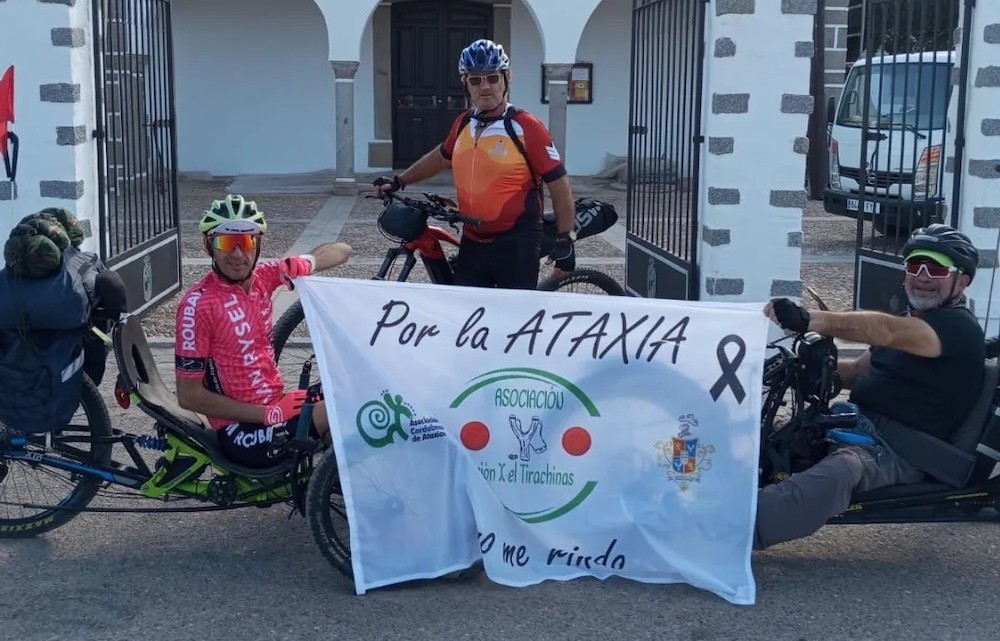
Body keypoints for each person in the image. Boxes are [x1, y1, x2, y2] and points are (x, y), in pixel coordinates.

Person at [756, 223, 985, 549]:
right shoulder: (911, 322)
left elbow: (885, 331)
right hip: (853, 422)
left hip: (895, 451)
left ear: (962, 281)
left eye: (935, 268)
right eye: (914, 266)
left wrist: (810, 320)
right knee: (762, 431)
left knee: (839, 473)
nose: (922, 276)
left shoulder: (957, 329)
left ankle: (730, 532)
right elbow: (858, 370)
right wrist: (815, 368)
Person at [373, 38, 577, 289]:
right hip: (473, 240)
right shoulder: (463, 123)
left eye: (492, 78)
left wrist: (565, 240)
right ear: (465, 84)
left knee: (511, 322)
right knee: (467, 317)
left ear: (507, 79)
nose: (485, 87)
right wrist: (400, 180)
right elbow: (440, 157)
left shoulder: (525, 126)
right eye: (475, 79)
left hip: (517, 245)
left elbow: (559, 186)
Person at [174, 194, 352, 468]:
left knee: (352, 387)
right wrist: (268, 413)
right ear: (209, 246)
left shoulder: (264, 279)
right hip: (242, 432)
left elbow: (343, 250)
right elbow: (189, 396)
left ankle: (333, 479)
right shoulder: (198, 306)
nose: (237, 254)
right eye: (225, 242)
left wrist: (307, 261)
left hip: (277, 405)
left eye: (245, 242)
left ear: (258, 244)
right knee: (343, 411)